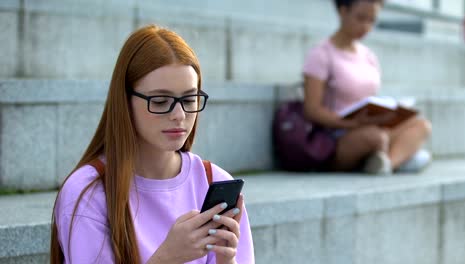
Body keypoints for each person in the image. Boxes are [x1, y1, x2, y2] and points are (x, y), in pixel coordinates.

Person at [50, 25, 255, 263]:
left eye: (189, 99)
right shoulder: (88, 192)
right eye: (160, 101)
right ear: (125, 102)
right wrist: (166, 258)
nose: (179, 114)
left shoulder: (215, 181)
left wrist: (225, 260)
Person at [302, 0, 432, 174]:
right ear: (343, 11)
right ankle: (400, 158)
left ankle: (387, 164)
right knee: (375, 138)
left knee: (421, 125)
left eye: (371, 20)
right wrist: (350, 122)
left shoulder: (368, 56)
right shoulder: (321, 54)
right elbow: (312, 109)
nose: (366, 26)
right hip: (338, 135)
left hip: (371, 126)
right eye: (361, 18)